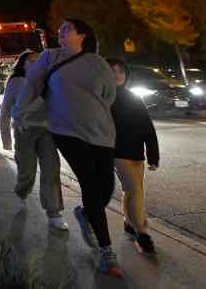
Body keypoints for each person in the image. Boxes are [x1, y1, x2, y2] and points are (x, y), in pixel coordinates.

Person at [18, 19, 120, 277]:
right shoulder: (49, 57)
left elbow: (110, 95)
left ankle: (86, 214)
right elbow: (31, 84)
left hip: (102, 132)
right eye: (61, 28)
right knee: (89, 182)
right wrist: (19, 112)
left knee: (107, 186)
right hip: (66, 131)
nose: (62, 31)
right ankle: (106, 251)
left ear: (82, 35)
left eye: (68, 28)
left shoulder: (98, 62)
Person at [0, 50, 68, 230]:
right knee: (27, 171)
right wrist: (6, 137)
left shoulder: (49, 81)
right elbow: (6, 108)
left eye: (37, 60)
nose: (33, 63)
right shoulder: (15, 82)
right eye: (29, 60)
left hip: (47, 130)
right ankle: (21, 191)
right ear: (21, 64)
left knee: (51, 170)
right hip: (25, 131)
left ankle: (54, 212)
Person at [107, 58, 159, 255]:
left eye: (120, 71)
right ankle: (143, 233)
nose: (117, 74)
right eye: (112, 71)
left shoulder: (134, 98)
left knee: (135, 191)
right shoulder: (102, 97)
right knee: (134, 190)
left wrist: (153, 155)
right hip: (117, 153)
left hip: (137, 153)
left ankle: (129, 222)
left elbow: (148, 128)